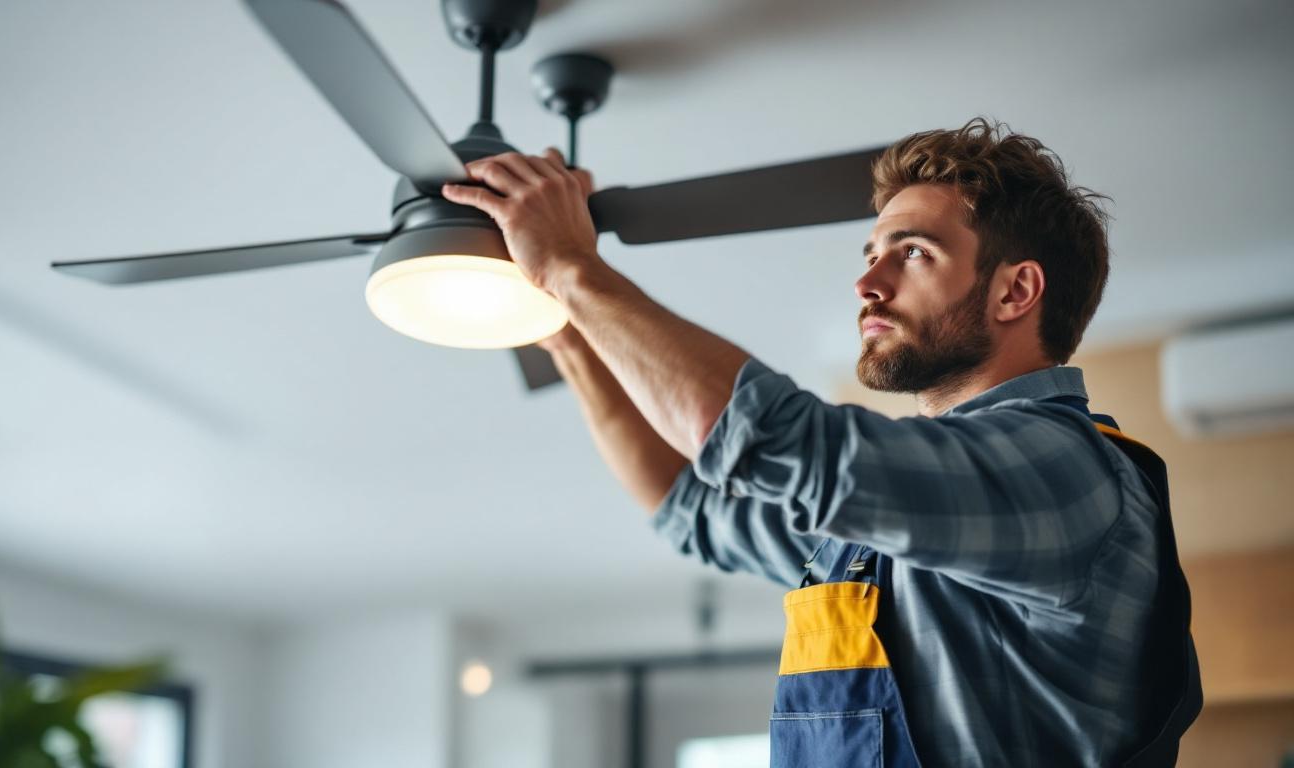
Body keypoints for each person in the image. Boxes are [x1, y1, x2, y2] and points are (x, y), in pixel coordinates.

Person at [442, 118, 1201, 767]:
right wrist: (568, 335)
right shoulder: (897, 527)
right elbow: (692, 506)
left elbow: (767, 439)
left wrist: (572, 266)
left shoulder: (1066, 469)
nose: (868, 283)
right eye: (871, 254)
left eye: (912, 253)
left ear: (1015, 291)